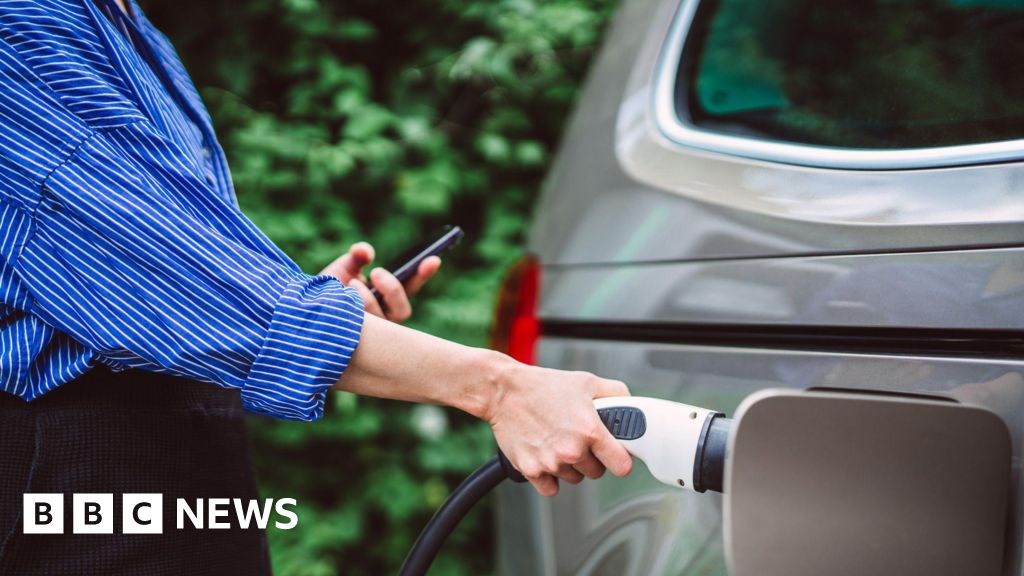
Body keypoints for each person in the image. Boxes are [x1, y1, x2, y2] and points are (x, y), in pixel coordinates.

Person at [0, 0, 632, 573]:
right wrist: (503, 388)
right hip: (72, 478)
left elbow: (170, 280)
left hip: (164, 454)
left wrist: (317, 311)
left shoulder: (126, 24)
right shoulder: (21, 27)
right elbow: (184, 279)